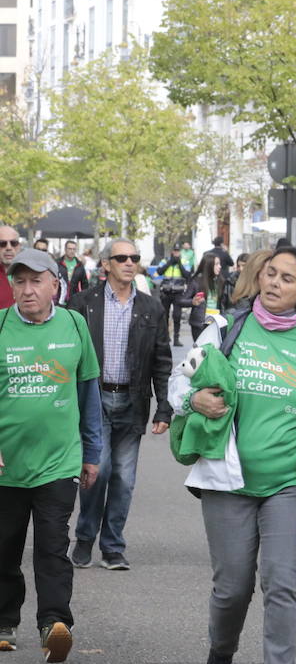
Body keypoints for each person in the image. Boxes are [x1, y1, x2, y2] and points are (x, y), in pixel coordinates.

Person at [168, 246, 296, 664]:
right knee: (232, 587)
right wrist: (193, 398)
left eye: (288, 278)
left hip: (286, 486)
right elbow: (181, 381)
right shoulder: (226, 330)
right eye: (270, 273)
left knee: (282, 584)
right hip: (228, 481)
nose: (275, 282)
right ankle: (221, 654)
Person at [0, 249, 102, 660]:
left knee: (52, 544)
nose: (27, 290)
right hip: (6, 466)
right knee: (5, 545)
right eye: (20, 282)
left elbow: (88, 392)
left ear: (55, 285)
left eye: (36, 281)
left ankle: (54, 624)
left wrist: (92, 452)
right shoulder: (2, 327)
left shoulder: (75, 324)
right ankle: (5, 620)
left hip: (59, 461)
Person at [67, 239, 173, 571]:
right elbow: (69, 357)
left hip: (132, 399)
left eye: (135, 258)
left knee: (124, 478)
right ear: (106, 265)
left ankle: (113, 546)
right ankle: (85, 539)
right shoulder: (83, 303)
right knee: (98, 472)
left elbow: (162, 360)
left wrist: (164, 407)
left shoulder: (150, 306)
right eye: (122, 258)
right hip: (95, 400)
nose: (130, 262)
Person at [188, 254, 228, 341]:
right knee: (200, 351)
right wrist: (193, 302)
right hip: (200, 323)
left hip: (216, 322)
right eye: (216, 264)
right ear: (209, 265)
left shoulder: (221, 281)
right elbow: (181, 300)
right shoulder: (196, 281)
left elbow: (224, 303)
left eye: (219, 264)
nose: (220, 267)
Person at [0, 224, 20, 309]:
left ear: (19, 246)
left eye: (13, 243)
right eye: (2, 243)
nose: (9, 247)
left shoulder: (32, 271)